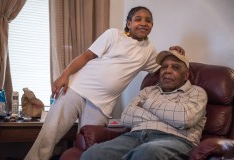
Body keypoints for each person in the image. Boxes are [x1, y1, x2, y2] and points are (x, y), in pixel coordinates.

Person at [25, 6, 166, 160]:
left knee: (89, 145)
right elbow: (87, 56)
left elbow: (164, 65)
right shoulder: (114, 34)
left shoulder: (149, 50)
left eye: (148, 20)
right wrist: (64, 75)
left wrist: (175, 52)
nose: (144, 23)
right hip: (76, 88)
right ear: (128, 23)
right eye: (138, 19)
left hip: (102, 105)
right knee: (50, 133)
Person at [80, 48, 208, 160]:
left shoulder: (197, 92)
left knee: (146, 153)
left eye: (175, 67)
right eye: (164, 67)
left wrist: (146, 104)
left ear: (186, 75)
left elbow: (185, 119)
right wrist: (170, 118)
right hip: (134, 137)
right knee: (92, 154)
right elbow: (126, 117)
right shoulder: (148, 90)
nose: (167, 71)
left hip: (176, 140)